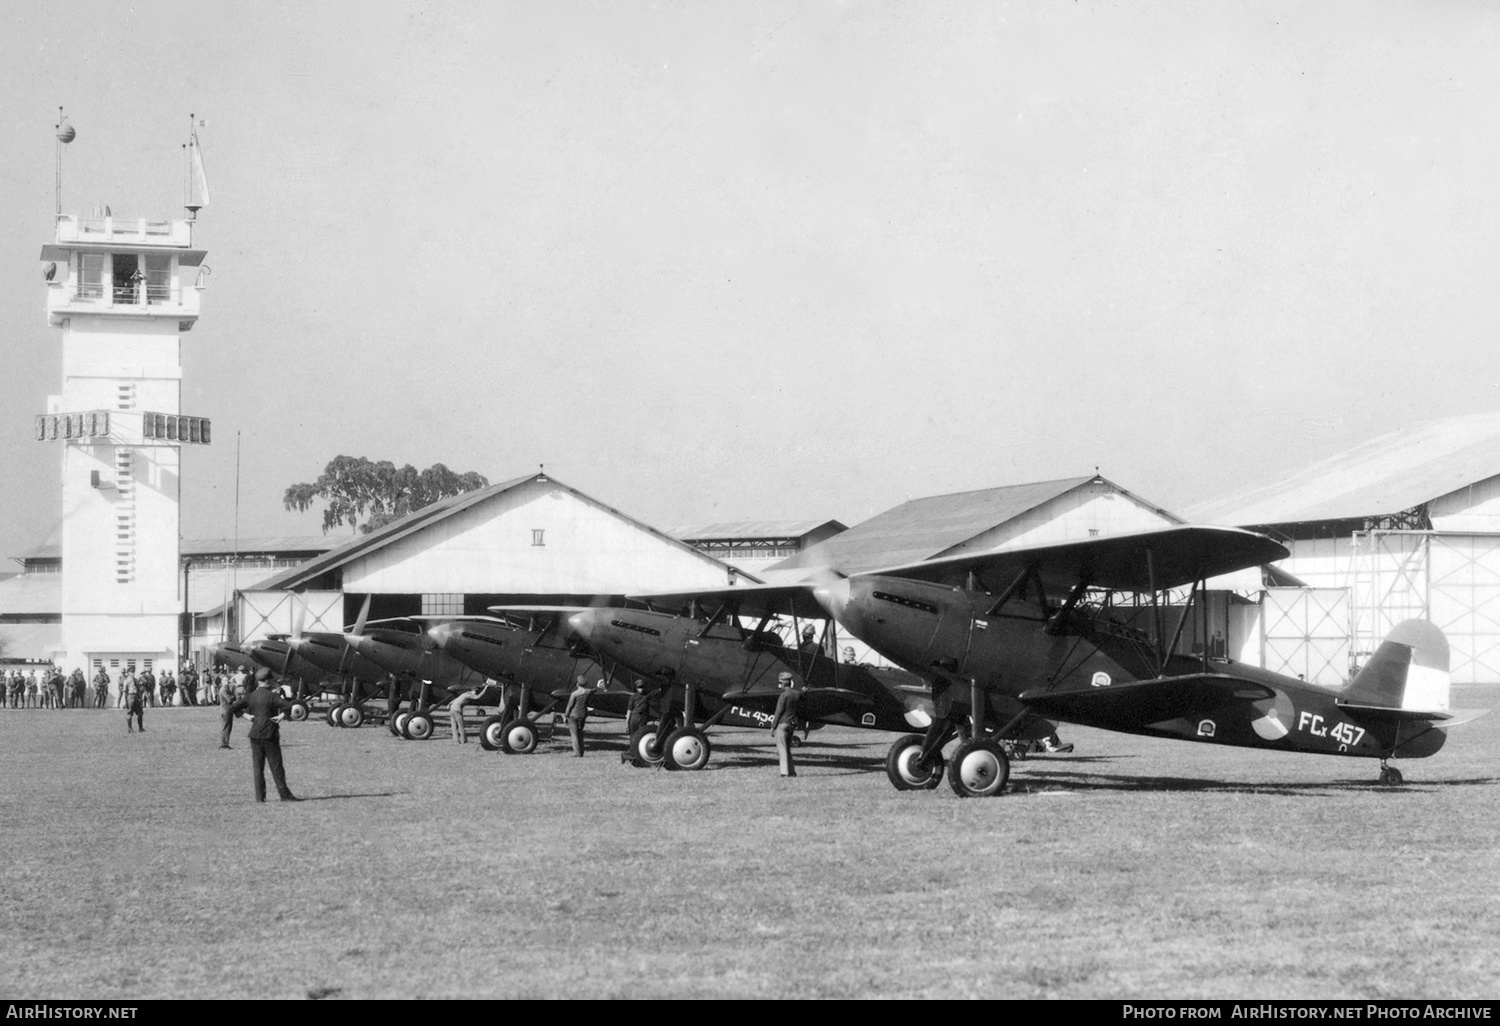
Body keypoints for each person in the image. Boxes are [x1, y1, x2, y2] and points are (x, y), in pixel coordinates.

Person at [223, 666, 302, 803]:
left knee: (258, 768)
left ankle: (260, 797)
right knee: (276, 766)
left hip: (254, 734)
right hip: (270, 734)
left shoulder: (251, 696)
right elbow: (289, 706)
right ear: (269, 681)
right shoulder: (272, 696)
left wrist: (245, 715)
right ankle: (284, 795)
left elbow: (232, 708)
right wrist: (282, 716)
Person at [771, 671, 801, 778]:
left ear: (783, 683)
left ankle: (784, 772)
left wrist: (773, 726)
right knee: (788, 750)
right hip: (792, 725)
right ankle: (792, 772)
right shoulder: (797, 694)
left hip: (782, 724)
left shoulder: (783, 695)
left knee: (782, 749)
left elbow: (778, 711)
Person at [621, 678, 651, 763]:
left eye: (642, 687)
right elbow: (629, 710)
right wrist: (627, 723)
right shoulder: (633, 697)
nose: (641, 688)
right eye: (639, 687)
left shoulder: (647, 696)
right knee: (633, 738)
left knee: (640, 738)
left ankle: (633, 756)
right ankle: (628, 755)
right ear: (636, 688)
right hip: (634, 718)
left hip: (642, 718)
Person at [564, 675, 594, 757]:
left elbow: (569, 706)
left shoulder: (574, 694)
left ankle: (577, 753)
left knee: (574, 735)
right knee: (580, 733)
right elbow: (593, 690)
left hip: (573, 716)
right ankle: (581, 752)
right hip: (582, 715)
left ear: (577, 684)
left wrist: (566, 716)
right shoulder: (588, 692)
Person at [218, 669, 240, 749]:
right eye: (225, 680)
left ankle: (225, 743)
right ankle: (224, 744)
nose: (227, 682)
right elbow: (230, 699)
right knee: (226, 728)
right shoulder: (224, 690)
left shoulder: (226, 689)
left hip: (226, 710)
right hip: (226, 710)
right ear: (222, 682)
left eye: (227, 680)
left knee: (227, 727)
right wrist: (233, 696)